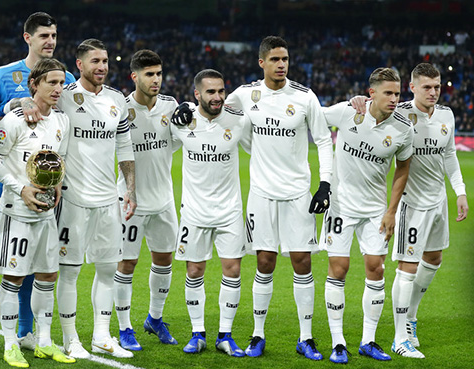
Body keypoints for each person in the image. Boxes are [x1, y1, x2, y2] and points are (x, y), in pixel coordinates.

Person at [175, 35, 333, 359]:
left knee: (302, 262)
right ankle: (258, 335)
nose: (281, 65)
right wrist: (187, 107)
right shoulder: (246, 95)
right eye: (275, 59)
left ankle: (306, 337)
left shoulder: (304, 97)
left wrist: (325, 183)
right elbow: (212, 105)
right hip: (261, 193)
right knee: (264, 262)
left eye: (285, 59)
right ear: (261, 62)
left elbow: (324, 139)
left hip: (297, 193)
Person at [0, 12, 76, 352]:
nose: (50, 41)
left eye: (54, 35)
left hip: (46, 186)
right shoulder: (2, 75)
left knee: (38, 262)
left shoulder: (67, 77)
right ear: (27, 37)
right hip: (8, 187)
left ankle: (27, 332)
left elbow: (66, 123)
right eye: (44, 35)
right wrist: (17, 105)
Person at [350, 63, 468, 359]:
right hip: (410, 204)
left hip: (438, 200)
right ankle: (399, 337)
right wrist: (359, 102)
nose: (433, 92)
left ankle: (410, 320)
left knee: (434, 258)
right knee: (407, 268)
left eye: (437, 87)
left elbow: (450, 154)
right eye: (427, 87)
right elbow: (371, 110)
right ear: (413, 87)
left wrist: (461, 191)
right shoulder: (398, 111)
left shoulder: (446, 115)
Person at [320, 67, 413, 364]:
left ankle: (368, 341)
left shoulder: (402, 129)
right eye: (388, 93)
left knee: (376, 269)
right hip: (340, 207)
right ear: (371, 92)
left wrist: (391, 211)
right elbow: (313, 116)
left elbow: (403, 169)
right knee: (339, 267)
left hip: (375, 210)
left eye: (397, 93)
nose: (395, 99)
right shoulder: (347, 112)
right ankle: (338, 342)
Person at [55, 38, 136, 359]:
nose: (102, 67)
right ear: (80, 65)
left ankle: (102, 335)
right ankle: (70, 338)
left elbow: (126, 149)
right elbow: (28, 104)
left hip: (108, 201)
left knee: (107, 269)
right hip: (73, 201)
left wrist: (130, 189)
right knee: (70, 272)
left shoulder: (117, 100)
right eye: (95, 62)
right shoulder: (63, 96)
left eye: (105, 61)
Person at [170, 69, 250, 357]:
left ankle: (225, 336)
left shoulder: (238, 119)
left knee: (233, 270)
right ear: (197, 94)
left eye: (220, 91)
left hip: (229, 210)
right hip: (194, 211)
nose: (217, 97)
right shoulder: (182, 121)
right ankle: (198, 333)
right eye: (210, 92)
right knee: (194, 270)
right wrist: (183, 108)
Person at [113, 49, 179, 351]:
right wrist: (130, 190)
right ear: (134, 76)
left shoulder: (170, 105)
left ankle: (154, 318)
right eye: (149, 74)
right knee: (127, 263)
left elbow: (177, 142)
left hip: (164, 198)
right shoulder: (122, 110)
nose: (156, 80)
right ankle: (125, 327)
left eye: (159, 73)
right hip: (130, 201)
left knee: (164, 260)